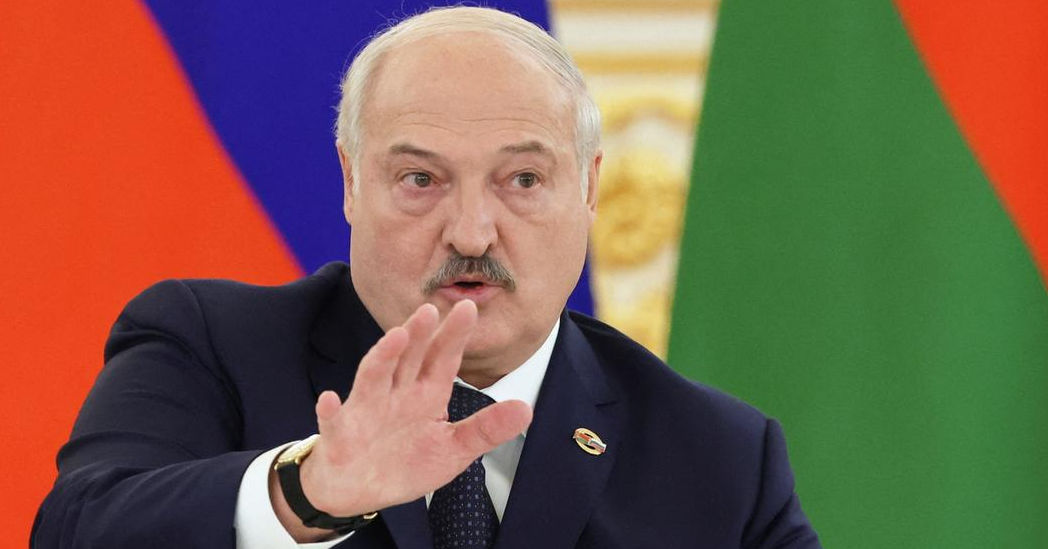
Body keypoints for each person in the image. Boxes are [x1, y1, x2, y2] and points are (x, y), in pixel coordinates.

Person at [32, 6, 820, 548]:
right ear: (351, 181)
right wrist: (304, 492)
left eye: (522, 180)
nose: (472, 232)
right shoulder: (210, 345)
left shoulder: (720, 456)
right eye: (421, 179)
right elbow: (75, 530)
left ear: (588, 188)